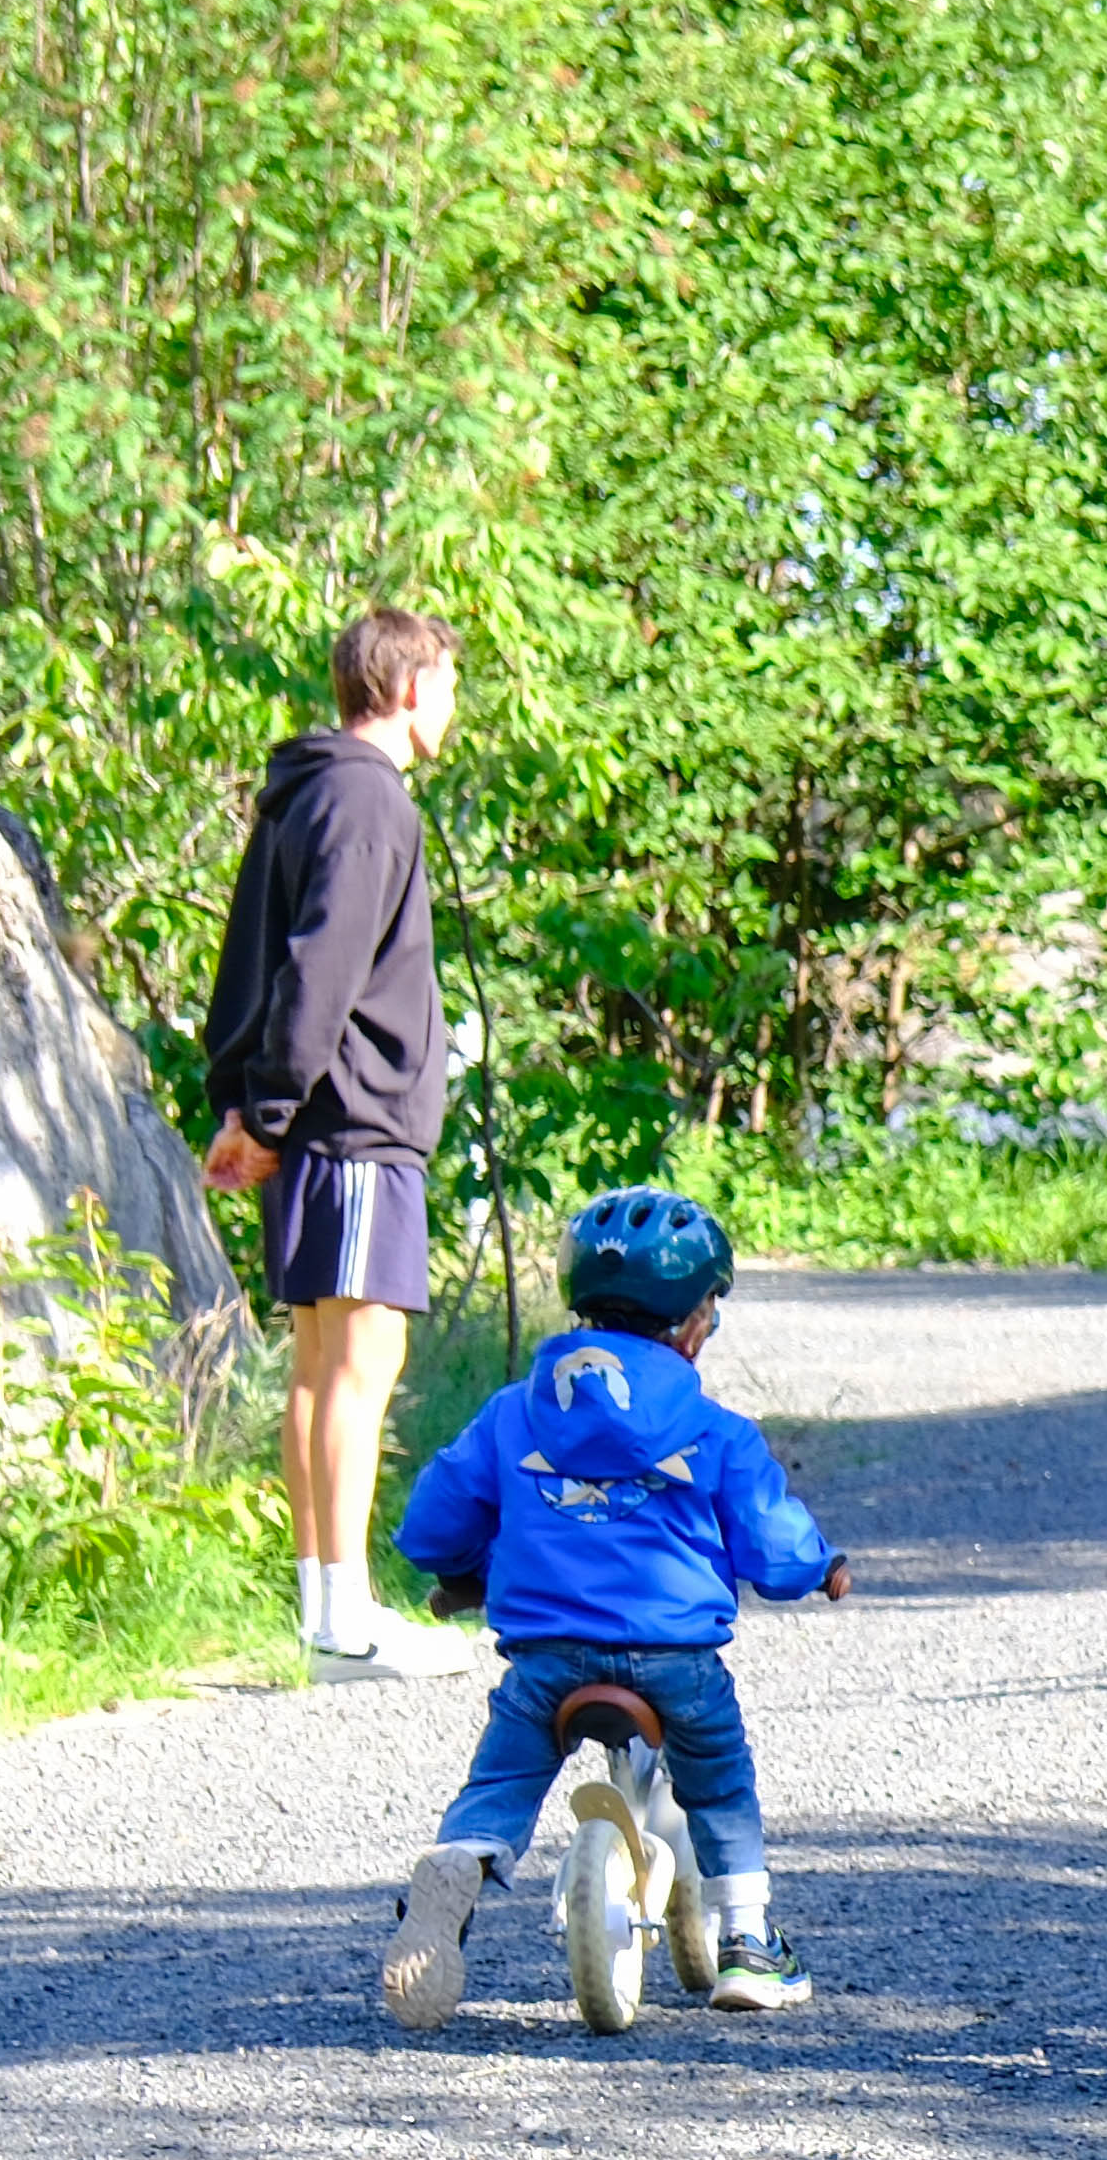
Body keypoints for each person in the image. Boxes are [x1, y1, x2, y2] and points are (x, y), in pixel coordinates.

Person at [373, 1188, 842, 2027]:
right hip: (673, 1661)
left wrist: (464, 1571)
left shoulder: (512, 1414)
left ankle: (458, 1865)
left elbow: (434, 1524)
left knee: (507, 1775)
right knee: (719, 1776)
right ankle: (746, 1942)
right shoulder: (712, 1428)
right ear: (697, 1324)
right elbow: (775, 1551)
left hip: (546, 1656)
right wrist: (819, 1571)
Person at [198, 606, 487, 1678]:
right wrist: (267, 1110)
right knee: (359, 1363)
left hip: (314, 1122)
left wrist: (245, 1102)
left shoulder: (303, 791)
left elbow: (247, 963)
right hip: (354, 1122)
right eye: (448, 684)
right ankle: (350, 1620)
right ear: (410, 688)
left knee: (323, 1367)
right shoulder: (370, 800)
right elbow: (317, 968)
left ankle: (327, 1616)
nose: (452, 705)